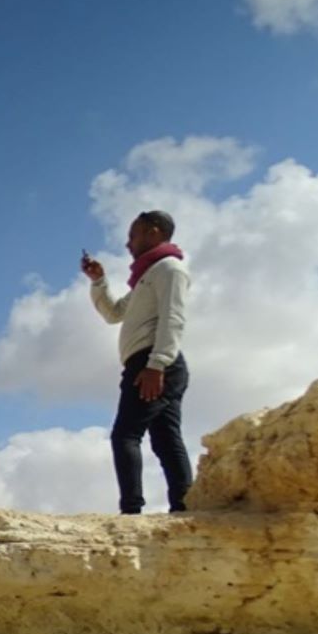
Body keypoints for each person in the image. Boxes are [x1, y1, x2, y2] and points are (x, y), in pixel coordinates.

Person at [81, 209, 192, 515]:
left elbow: (174, 318)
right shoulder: (147, 276)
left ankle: (131, 511)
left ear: (154, 232)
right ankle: (184, 507)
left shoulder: (170, 269)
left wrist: (157, 365)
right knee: (166, 439)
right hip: (150, 363)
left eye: (133, 235)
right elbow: (114, 313)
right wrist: (99, 281)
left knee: (126, 435)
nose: (128, 244)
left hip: (154, 363)